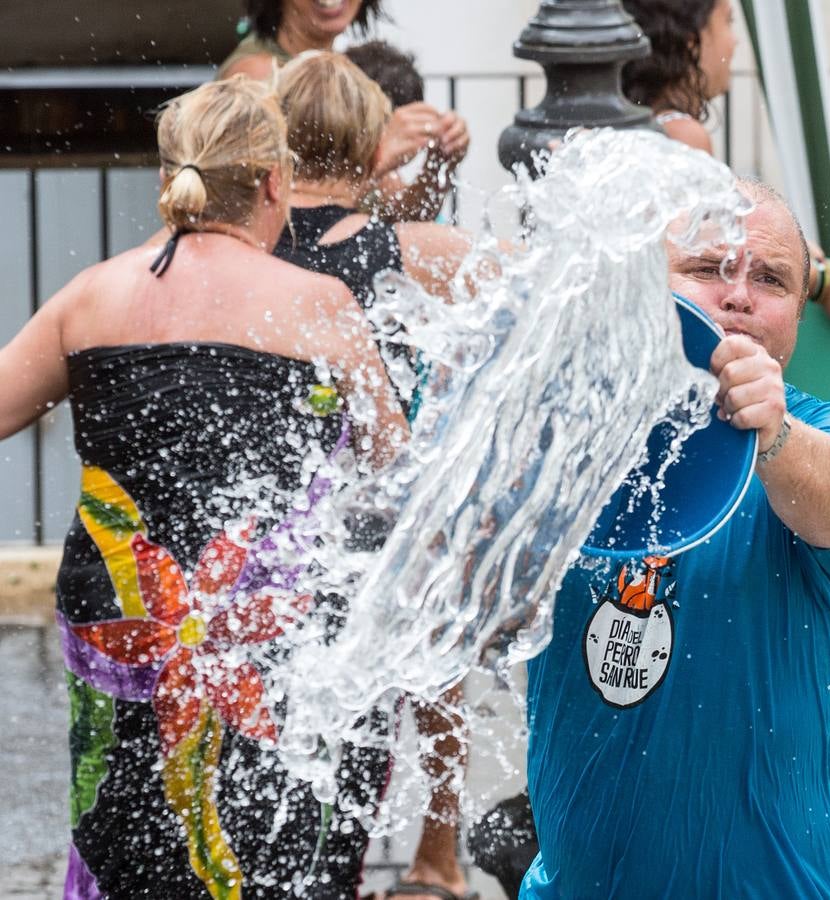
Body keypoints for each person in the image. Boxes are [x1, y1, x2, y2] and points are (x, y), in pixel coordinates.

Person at [0, 77, 406, 900]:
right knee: (271, 840)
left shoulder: (93, 296)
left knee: (128, 824)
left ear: (167, 181)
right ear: (272, 184)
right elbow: (391, 455)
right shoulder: (318, 306)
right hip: (270, 617)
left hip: (124, 609)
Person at [519, 181, 830, 897]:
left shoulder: (829, 431)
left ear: (798, 313)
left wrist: (772, 433)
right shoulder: (570, 438)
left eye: (771, 278)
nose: (740, 295)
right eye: (707, 268)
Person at [273, 49, 480, 900]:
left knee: (291, 723)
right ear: (370, 149)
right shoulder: (413, 250)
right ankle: (434, 860)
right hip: (389, 506)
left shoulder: (237, 261)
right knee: (431, 668)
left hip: (284, 524)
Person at [622, 0, 830, 321]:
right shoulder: (680, 134)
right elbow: (701, 261)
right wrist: (821, 282)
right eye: (728, 22)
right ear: (692, 40)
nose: (735, 41)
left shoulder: (628, 123)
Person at [220, 0, 469, 223]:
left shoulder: (342, 74)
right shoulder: (256, 77)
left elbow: (400, 214)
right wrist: (378, 158)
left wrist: (438, 167)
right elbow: (271, 213)